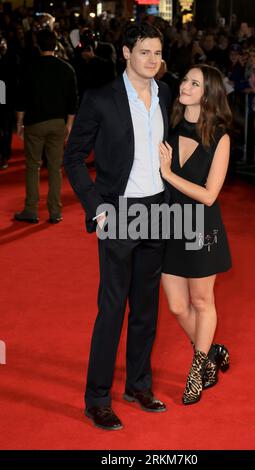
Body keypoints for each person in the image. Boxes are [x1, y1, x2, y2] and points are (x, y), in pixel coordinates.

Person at [64, 22, 171, 431]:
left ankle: (138, 385)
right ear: (126, 52)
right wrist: (96, 206)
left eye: (158, 53)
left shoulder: (165, 95)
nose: (152, 60)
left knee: (146, 308)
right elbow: (74, 157)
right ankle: (97, 398)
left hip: (157, 211)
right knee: (112, 309)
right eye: (145, 52)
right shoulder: (101, 99)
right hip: (118, 211)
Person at [159, 64, 231, 405]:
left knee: (202, 301)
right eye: (185, 79)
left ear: (209, 93)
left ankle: (197, 371)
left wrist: (168, 174)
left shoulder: (220, 137)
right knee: (175, 305)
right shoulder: (169, 125)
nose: (185, 85)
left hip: (202, 228)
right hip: (171, 224)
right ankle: (212, 350)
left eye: (194, 83)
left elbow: (209, 195)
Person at [14, 29, 78, 224]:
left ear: (38, 45)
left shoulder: (29, 67)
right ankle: (55, 211)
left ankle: (31, 209)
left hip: (35, 122)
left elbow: (21, 99)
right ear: (56, 45)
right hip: (58, 122)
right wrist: (69, 125)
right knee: (55, 168)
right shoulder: (67, 68)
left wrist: (19, 123)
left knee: (33, 167)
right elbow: (72, 101)